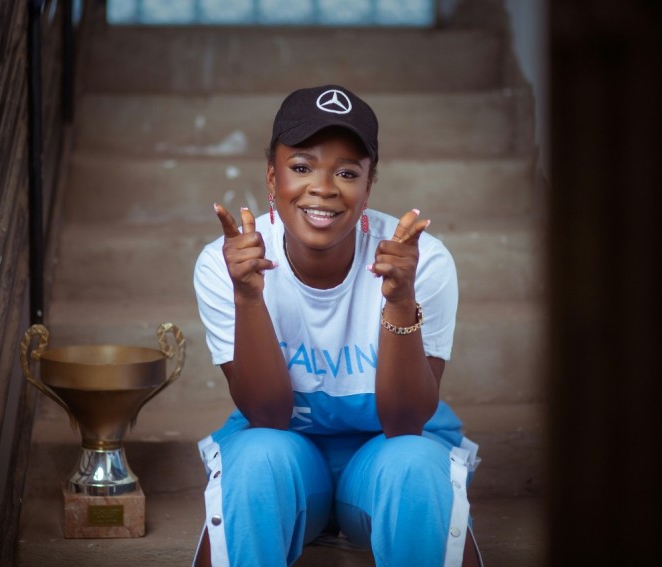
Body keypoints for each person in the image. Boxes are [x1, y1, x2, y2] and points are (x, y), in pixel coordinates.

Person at [191, 84, 482, 566]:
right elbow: (267, 416)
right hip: (288, 456)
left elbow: (406, 423)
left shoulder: (418, 260)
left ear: (368, 186)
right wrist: (247, 296)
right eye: (301, 167)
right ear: (271, 177)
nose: (323, 188)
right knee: (257, 456)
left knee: (415, 463)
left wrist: (400, 300)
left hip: (385, 454)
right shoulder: (227, 261)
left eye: (347, 172)